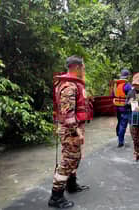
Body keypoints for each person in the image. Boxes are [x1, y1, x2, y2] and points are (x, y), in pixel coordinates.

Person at [49, 55, 91, 208]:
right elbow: (68, 114)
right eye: (83, 67)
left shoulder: (73, 84)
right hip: (70, 130)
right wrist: (75, 132)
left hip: (74, 128)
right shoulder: (68, 86)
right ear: (77, 67)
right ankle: (56, 196)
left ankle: (71, 185)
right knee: (68, 161)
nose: (84, 69)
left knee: (74, 158)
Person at [113, 69, 132, 147]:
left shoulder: (116, 85)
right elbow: (132, 97)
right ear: (127, 76)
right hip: (125, 108)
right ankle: (120, 141)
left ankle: (119, 136)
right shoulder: (127, 85)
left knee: (119, 122)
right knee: (123, 125)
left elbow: (112, 95)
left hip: (117, 108)